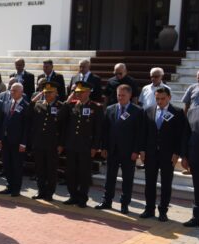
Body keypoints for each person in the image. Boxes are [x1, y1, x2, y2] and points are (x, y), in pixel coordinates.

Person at [139, 86, 184, 222]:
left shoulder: (177, 112)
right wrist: (142, 150)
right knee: (150, 183)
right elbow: (143, 133)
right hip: (151, 154)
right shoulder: (148, 111)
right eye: (157, 99)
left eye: (162, 99)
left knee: (166, 184)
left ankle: (163, 211)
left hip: (168, 155)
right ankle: (149, 209)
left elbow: (180, 135)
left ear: (169, 98)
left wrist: (177, 153)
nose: (159, 101)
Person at [97, 85, 143, 214]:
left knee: (127, 179)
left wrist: (136, 151)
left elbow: (139, 133)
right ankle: (107, 201)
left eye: (123, 95)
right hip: (112, 150)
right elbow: (105, 130)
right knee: (109, 177)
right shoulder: (111, 109)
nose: (120, 97)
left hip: (129, 152)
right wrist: (104, 147)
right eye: (118, 95)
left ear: (129, 95)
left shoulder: (137, 111)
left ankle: (124, 204)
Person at [60, 81, 102, 208]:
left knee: (84, 173)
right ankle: (73, 196)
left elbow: (98, 129)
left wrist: (95, 146)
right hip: (72, 145)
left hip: (86, 146)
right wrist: (68, 101)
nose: (78, 94)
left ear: (89, 92)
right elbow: (61, 119)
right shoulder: (71, 105)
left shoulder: (96, 107)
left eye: (81, 92)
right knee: (70, 172)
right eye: (76, 92)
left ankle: (82, 198)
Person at [28, 82, 64, 200]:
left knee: (51, 170)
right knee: (40, 169)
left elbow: (64, 127)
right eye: (46, 92)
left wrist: (60, 144)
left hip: (52, 143)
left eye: (50, 92)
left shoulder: (61, 106)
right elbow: (28, 112)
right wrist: (37, 97)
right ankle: (41, 191)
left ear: (56, 93)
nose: (48, 94)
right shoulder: (38, 104)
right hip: (39, 142)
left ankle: (49, 193)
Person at [182, 86, 199, 228]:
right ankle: (197, 218)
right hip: (196, 159)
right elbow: (186, 135)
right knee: (198, 189)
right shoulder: (192, 111)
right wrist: (184, 156)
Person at [0, 83, 29, 197]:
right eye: (11, 90)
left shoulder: (26, 106)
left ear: (21, 92)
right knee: (7, 164)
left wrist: (23, 143)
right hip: (6, 141)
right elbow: (2, 122)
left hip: (18, 142)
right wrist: (0, 138)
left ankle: (16, 188)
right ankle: (9, 186)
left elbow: (27, 127)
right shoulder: (7, 104)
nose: (12, 92)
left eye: (15, 90)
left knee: (17, 166)